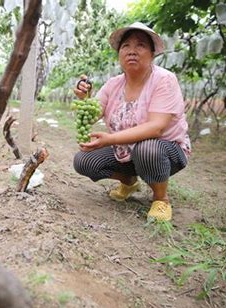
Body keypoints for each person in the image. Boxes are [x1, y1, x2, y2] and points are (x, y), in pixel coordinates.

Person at [72, 22, 191, 222]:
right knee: (84, 160)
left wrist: (110, 139)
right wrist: (84, 99)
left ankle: (161, 199)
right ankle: (129, 181)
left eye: (141, 45)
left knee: (148, 148)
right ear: (119, 54)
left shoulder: (164, 80)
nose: (132, 51)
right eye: (126, 46)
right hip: (125, 151)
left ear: (153, 54)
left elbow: (157, 127)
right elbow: (93, 114)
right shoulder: (113, 84)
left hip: (164, 150)